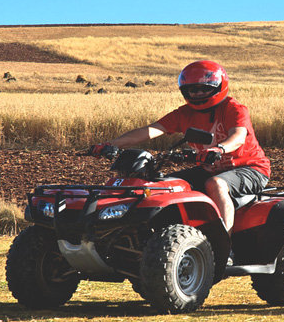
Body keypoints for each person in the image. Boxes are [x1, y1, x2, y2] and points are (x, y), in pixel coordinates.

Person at [88, 60, 270, 231]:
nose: (197, 94)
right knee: (163, 186)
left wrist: (219, 149)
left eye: (203, 89)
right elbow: (151, 130)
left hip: (250, 168)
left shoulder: (233, 108)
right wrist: (110, 144)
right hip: (210, 169)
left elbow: (238, 136)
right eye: (192, 90)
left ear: (217, 87)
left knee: (215, 184)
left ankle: (224, 243)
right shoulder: (184, 113)